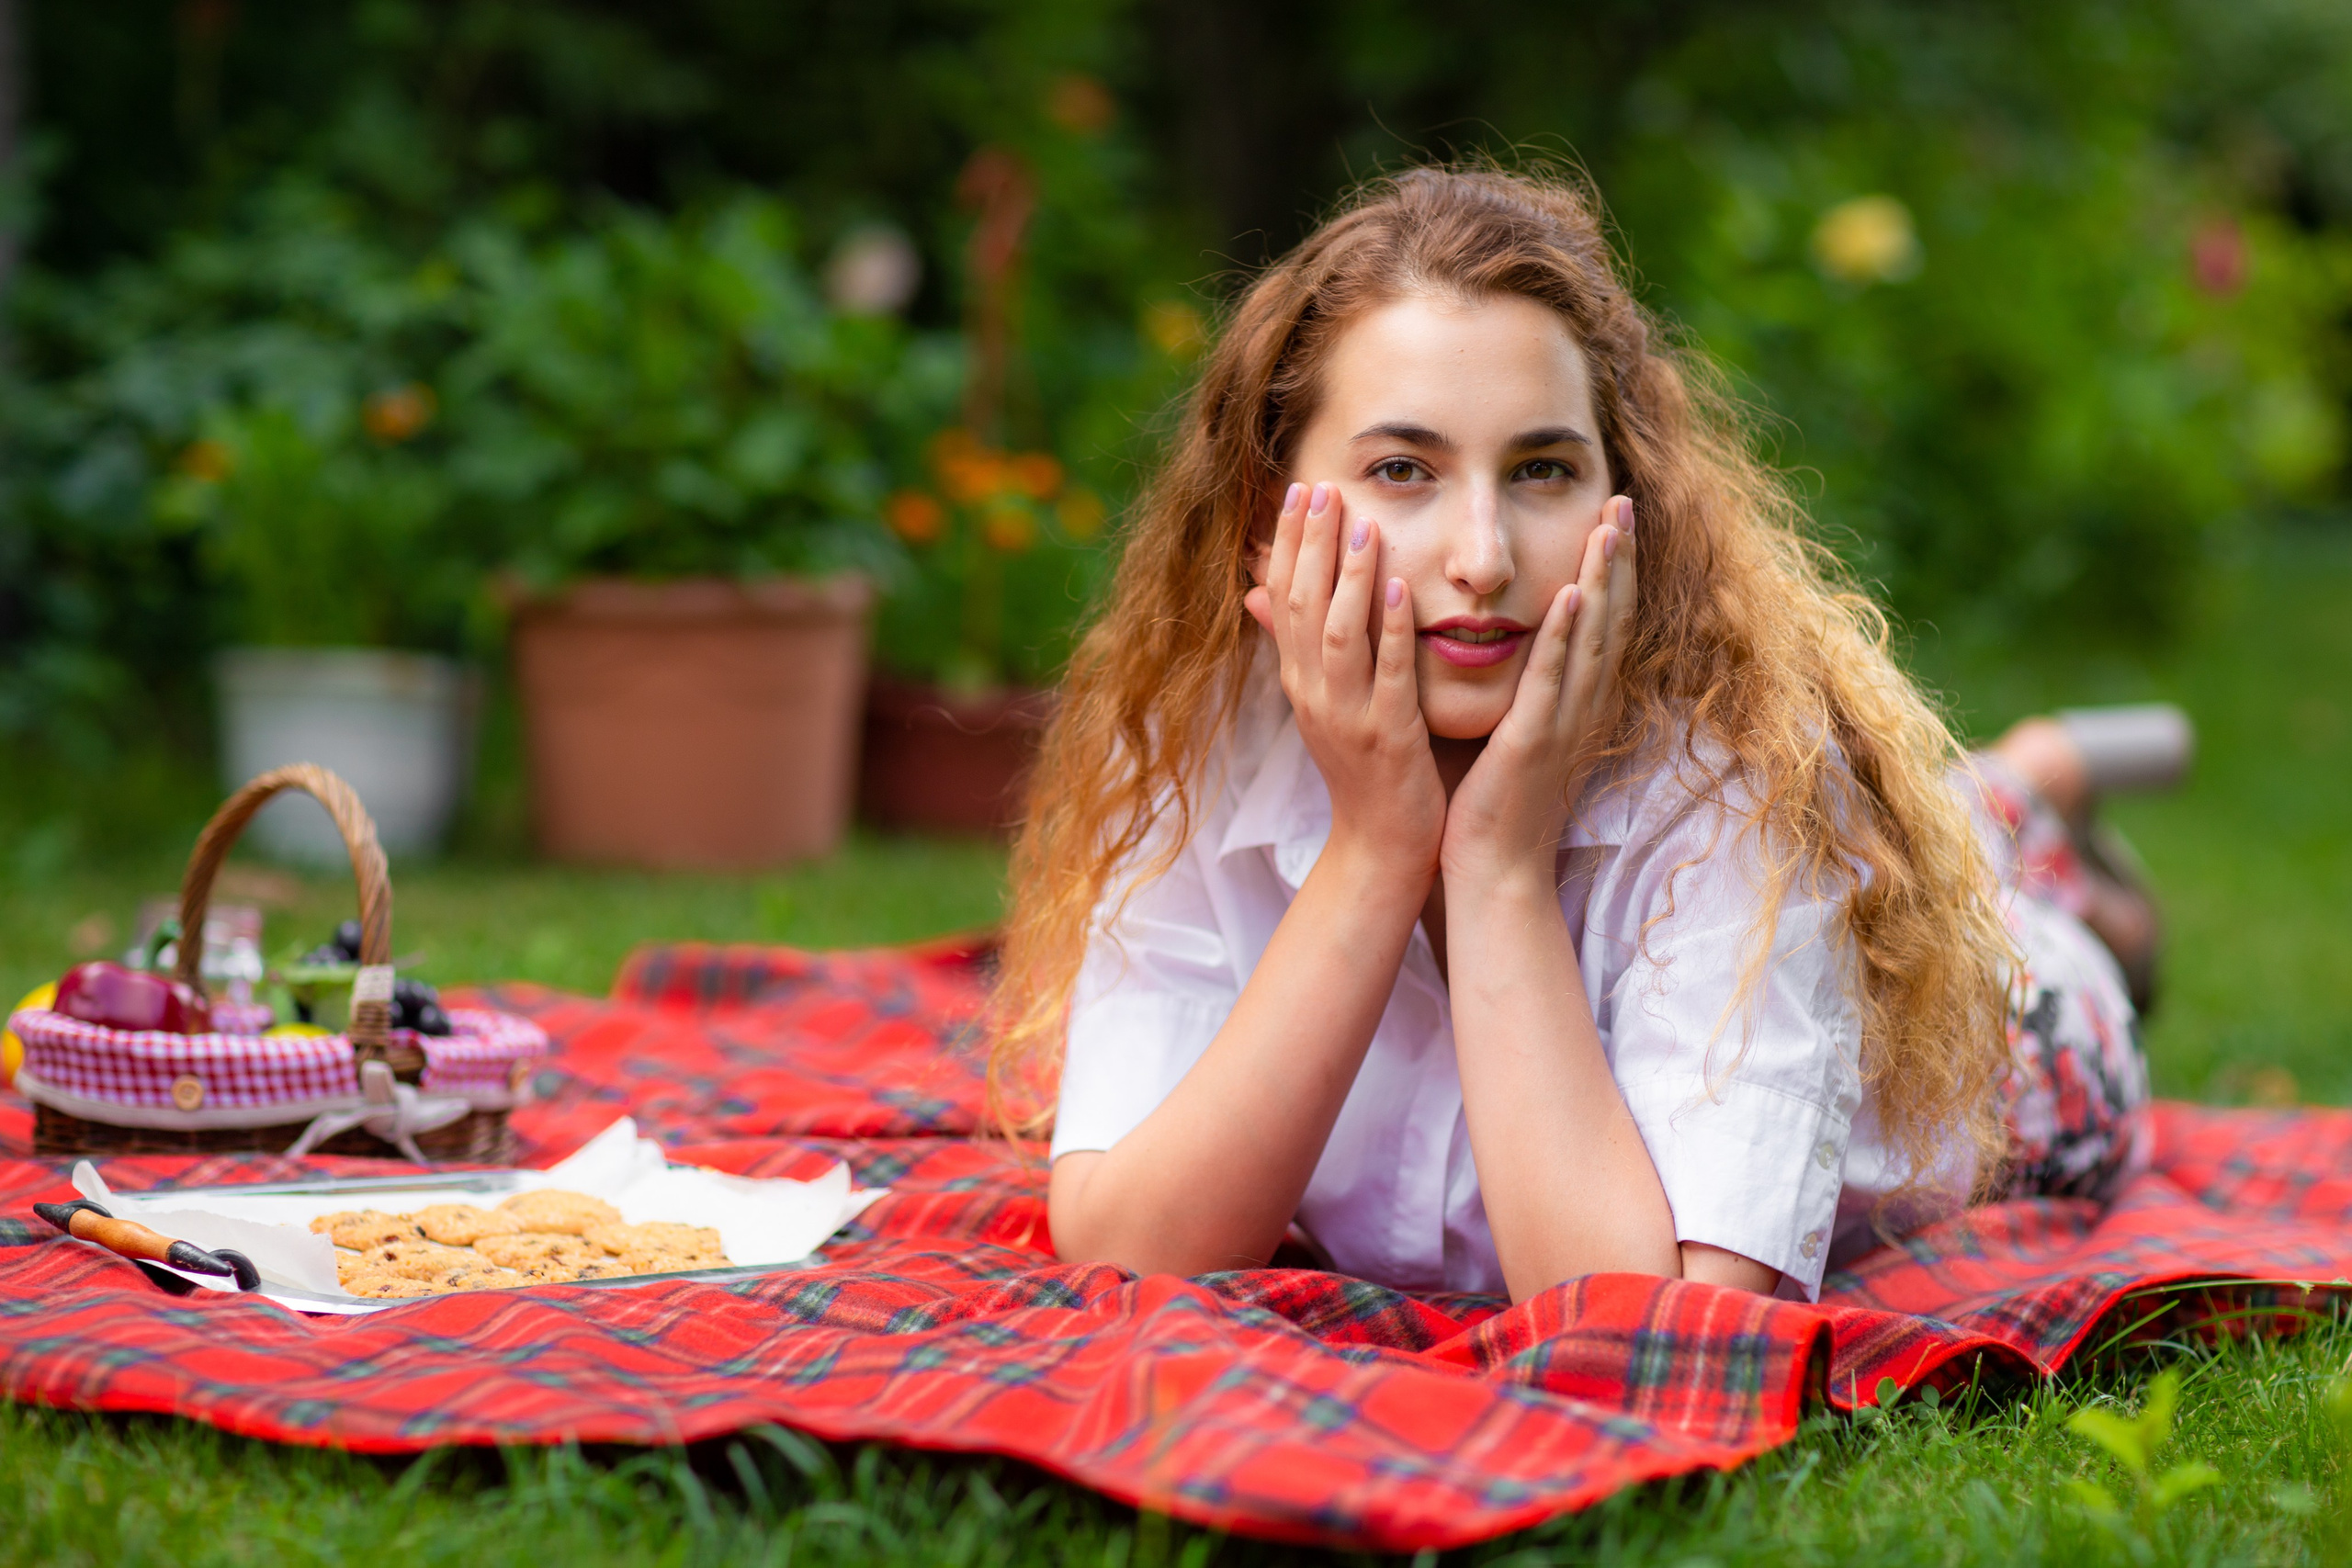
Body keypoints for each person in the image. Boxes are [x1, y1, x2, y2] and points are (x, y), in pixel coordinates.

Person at [988, 166, 2154, 1304]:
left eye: (1542, 469)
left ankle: (2028, 796)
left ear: (1623, 501)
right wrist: (1379, 845)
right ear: (1262, 521)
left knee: (2008, 901)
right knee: (1955, 815)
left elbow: (1655, 1320)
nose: (1483, 559)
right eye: (1403, 470)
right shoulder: (1201, 737)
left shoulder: (1747, 777)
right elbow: (1126, 1243)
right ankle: (2005, 787)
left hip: (2025, 1046)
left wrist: (1494, 867)